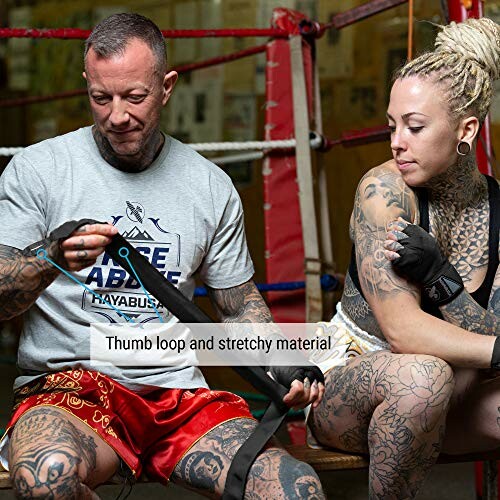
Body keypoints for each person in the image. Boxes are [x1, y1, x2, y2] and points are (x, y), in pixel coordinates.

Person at [0, 13, 326, 499]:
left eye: (135, 97)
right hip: (70, 391)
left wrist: (285, 363)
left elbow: (237, 306)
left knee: (294, 487)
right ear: (87, 85)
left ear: (166, 86)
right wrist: (50, 258)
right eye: (101, 98)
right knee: (44, 478)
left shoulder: (209, 186)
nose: (116, 116)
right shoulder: (38, 170)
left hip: (178, 395)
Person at [307, 17, 499, 499]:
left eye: (414, 126)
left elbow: (492, 329)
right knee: (423, 375)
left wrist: (442, 279)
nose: (397, 141)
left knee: (437, 378)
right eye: (393, 125)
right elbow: (403, 332)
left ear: (466, 129)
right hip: (353, 382)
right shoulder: (384, 191)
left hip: (454, 393)